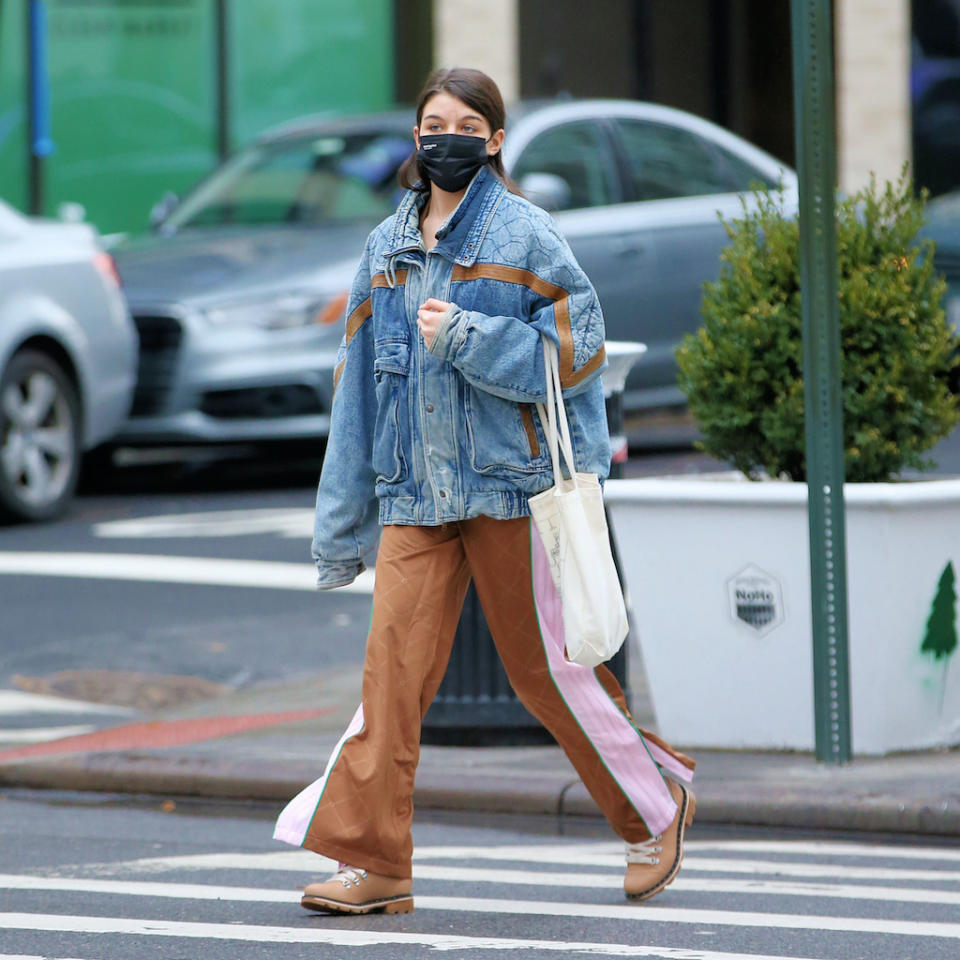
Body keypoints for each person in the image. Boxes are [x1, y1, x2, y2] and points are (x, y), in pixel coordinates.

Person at [273, 67, 696, 915]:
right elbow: (355, 388)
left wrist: (470, 336)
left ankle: (656, 805)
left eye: (468, 124)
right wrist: (340, 523)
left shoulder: (526, 234)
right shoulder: (386, 250)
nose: (448, 137)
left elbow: (580, 349)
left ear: (495, 140)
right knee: (390, 680)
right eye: (434, 123)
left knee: (546, 673)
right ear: (417, 138)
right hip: (415, 496)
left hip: (513, 490)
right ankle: (378, 863)